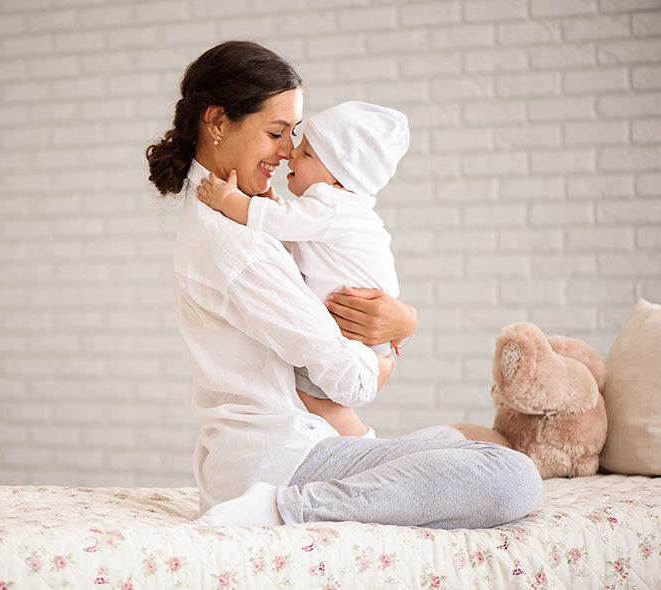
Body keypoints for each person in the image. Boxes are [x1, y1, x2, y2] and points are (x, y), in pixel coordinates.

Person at [146, 40, 542, 528]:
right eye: (276, 132)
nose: (289, 152)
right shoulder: (234, 242)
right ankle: (280, 511)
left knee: (466, 441)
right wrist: (387, 356)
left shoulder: (250, 215)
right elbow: (349, 381)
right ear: (218, 121)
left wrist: (401, 321)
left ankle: (305, 497)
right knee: (511, 476)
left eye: (293, 135)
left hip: (289, 446)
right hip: (281, 463)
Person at [196, 100, 409, 438]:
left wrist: (227, 200)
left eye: (307, 153)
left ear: (339, 181)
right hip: (371, 339)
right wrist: (272, 201)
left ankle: (359, 443)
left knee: (311, 395)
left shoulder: (333, 206)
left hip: (359, 340)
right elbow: (297, 234)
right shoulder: (337, 210)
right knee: (312, 397)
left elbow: (275, 223)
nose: (292, 154)